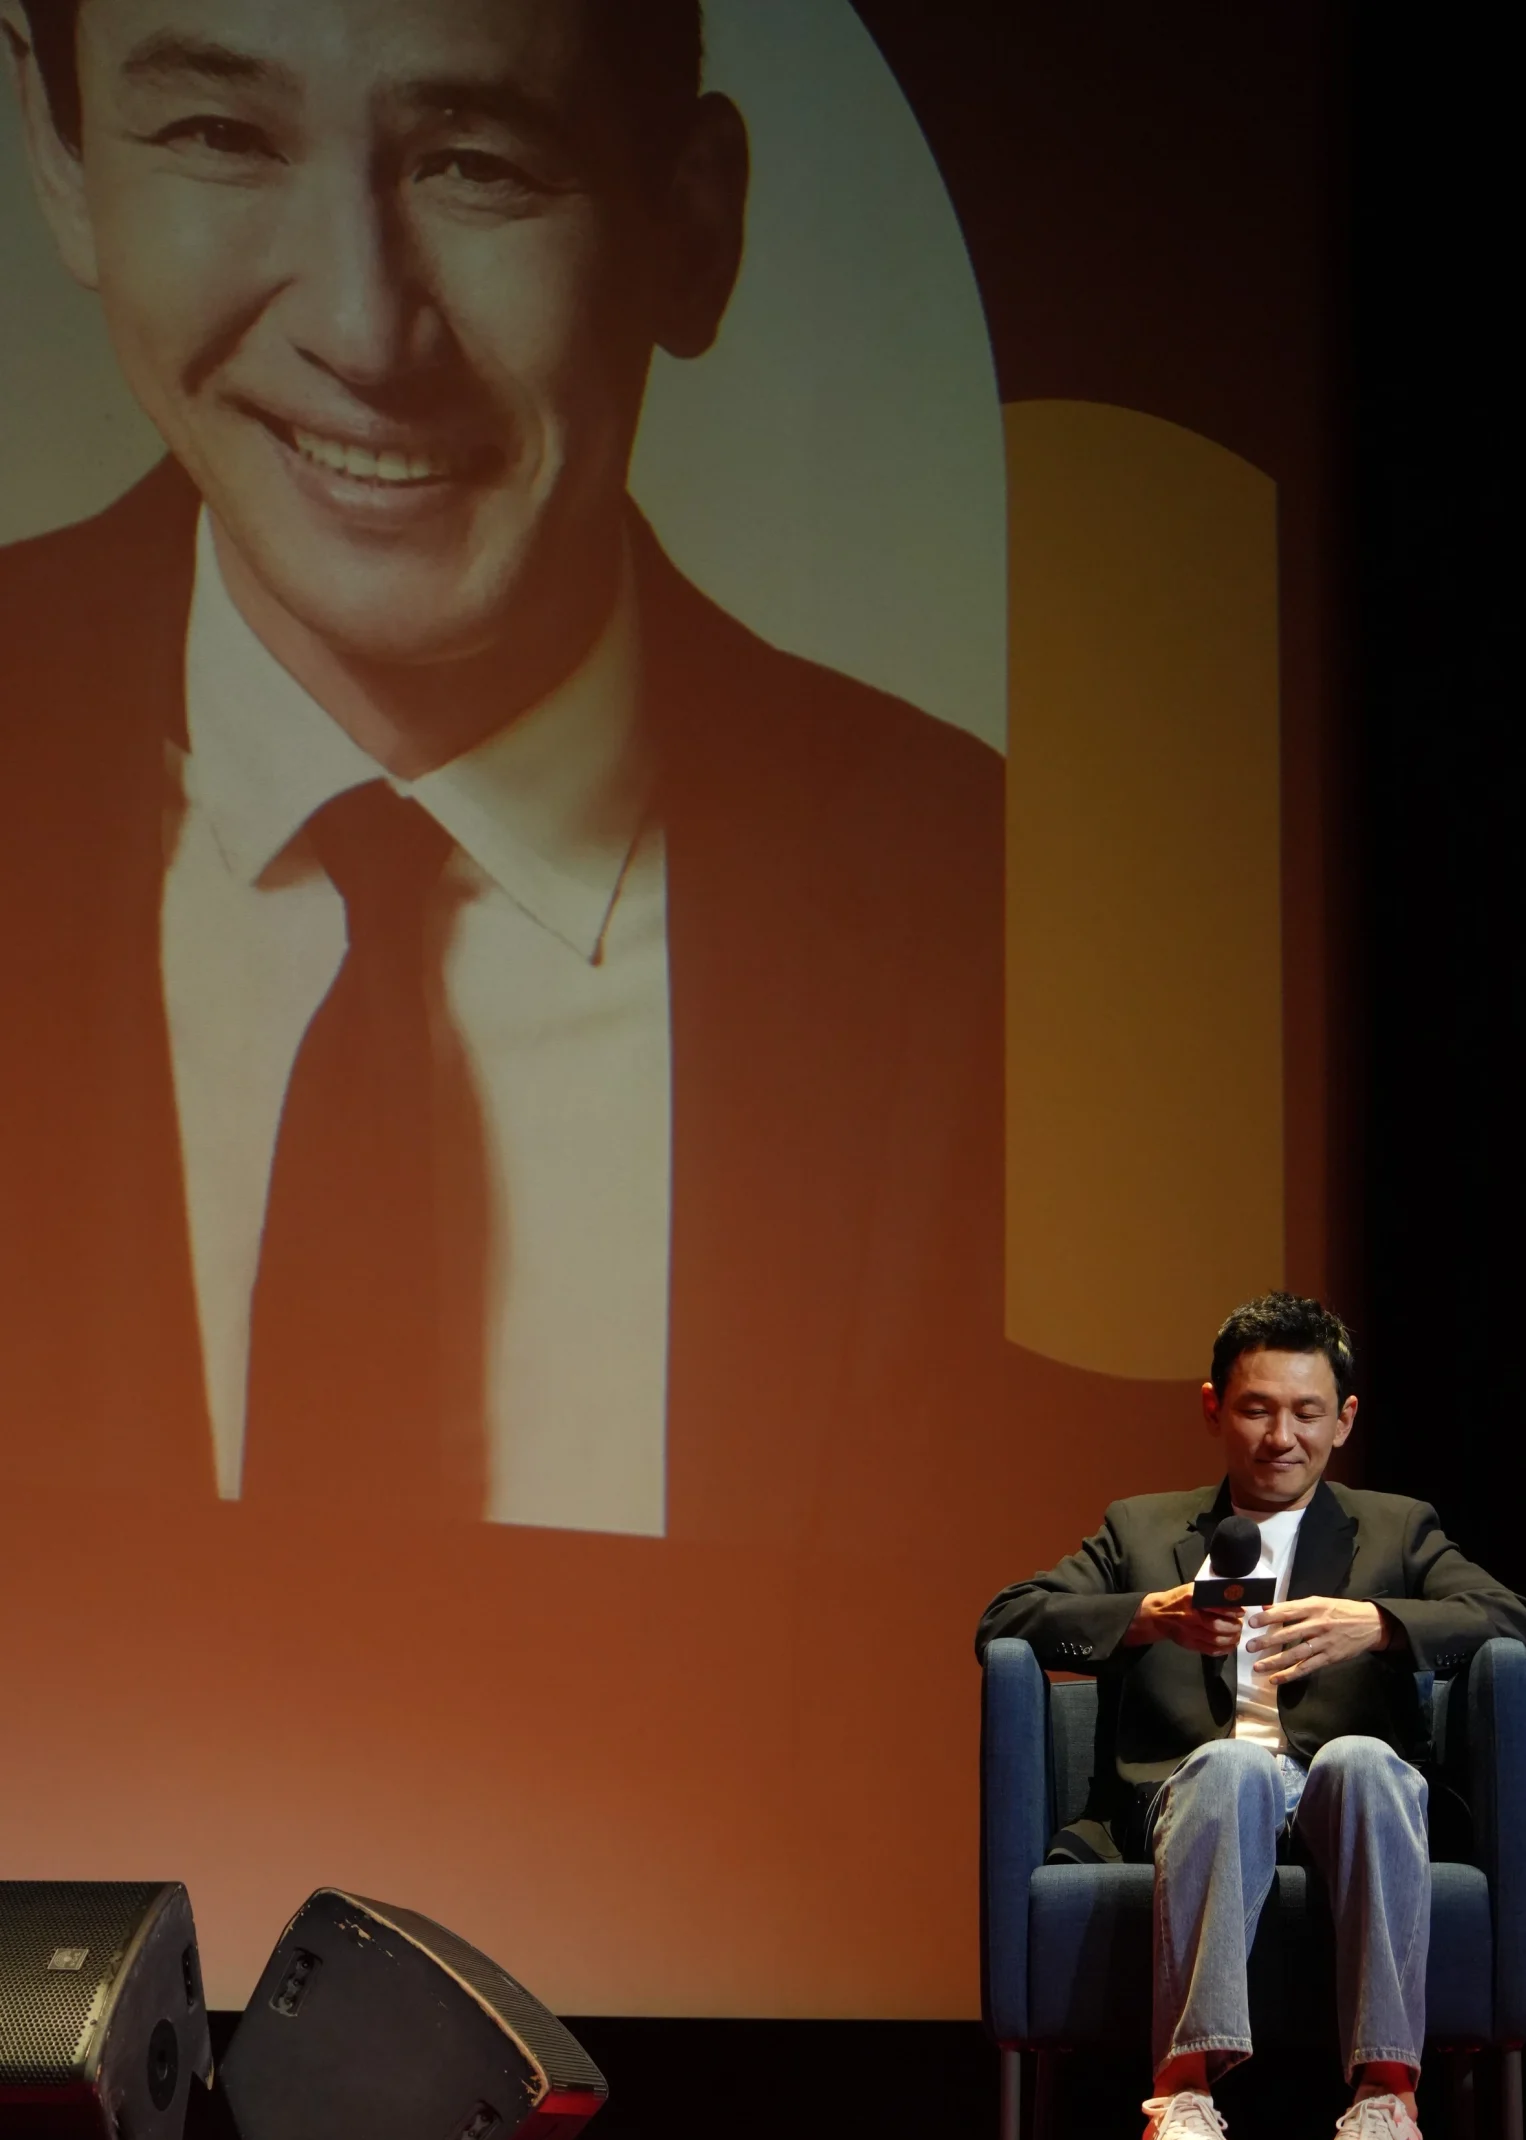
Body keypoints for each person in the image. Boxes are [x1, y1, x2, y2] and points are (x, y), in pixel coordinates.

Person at [0, 0, 1003, 1538]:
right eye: (220, 135)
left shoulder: (1017, 943)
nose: (360, 329)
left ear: (692, 224)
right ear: (59, 151)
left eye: (478, 165)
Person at [975, 1291, 1526, 2140]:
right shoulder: (1143, 1528)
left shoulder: (1396, 1529)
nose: (1282, 1437)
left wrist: (1380, 1625)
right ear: (1214, 1409)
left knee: (1362, 1759)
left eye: (1307, 1413)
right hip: (1194, 1793)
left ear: (1344, 1420)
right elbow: (1006, 1620)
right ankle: (1182, 2101)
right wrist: (1147, 1617)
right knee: (1233, 1765)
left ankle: (1388, 2104)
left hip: (1347, 1800)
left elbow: (1521, 1625)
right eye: (1257, 1409)